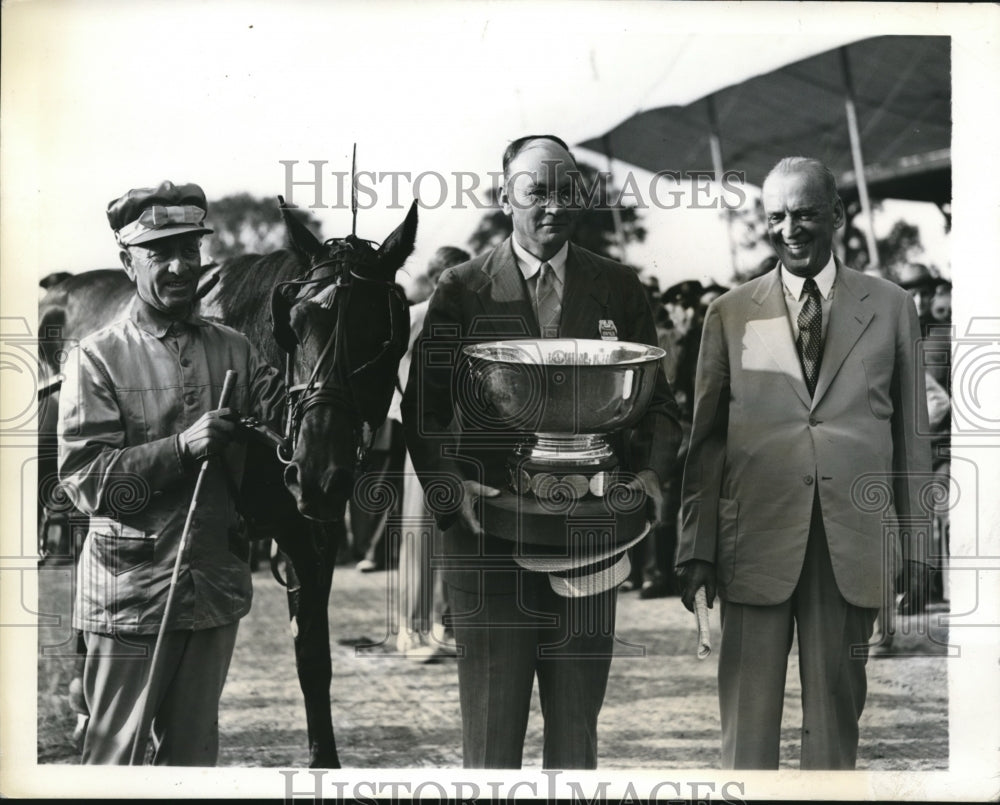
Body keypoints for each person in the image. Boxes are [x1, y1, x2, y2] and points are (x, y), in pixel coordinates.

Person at [402, 135, 681, 769]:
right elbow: (424, 410)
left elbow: (657, 405)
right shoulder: (462, 288)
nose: (553, 205)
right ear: (506, 196)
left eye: (567, 190)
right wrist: (451, 493)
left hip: (590, 532)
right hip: (487, 536)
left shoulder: (618, 286)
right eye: (537, 191)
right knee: (492, 736)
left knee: (576, 730)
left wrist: (652, 475)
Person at [677, 157, 932, 770]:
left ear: (838, 216)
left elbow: (912, 435)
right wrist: (696, 548)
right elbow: (705, 442)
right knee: (747, 722)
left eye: (805, 213)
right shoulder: (729, 313)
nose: (789, 228)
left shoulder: (893, 307)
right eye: (777, 216)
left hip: (850, 538)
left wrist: (919, 545)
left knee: (836, 719)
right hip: (754, 539)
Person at [58, 180, 284, 765]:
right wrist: (181, 449)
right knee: (116, 759)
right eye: (161, 253)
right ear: (126, 261)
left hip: (213, 591)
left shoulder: (237, 349)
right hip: (130, 597)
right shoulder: (96, 356)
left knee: (192, 761)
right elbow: (86, 482)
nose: (182, 266)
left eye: (191, 249)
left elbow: (289, 422)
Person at [394, 246, 470, 660]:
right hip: (425, 436)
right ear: (441, 278)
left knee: (453, 532)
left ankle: (444, 624)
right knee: (419, 533)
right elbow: (389, 364)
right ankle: (411, 628)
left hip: (463, 437)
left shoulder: (469, 320)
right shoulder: (417, 316)